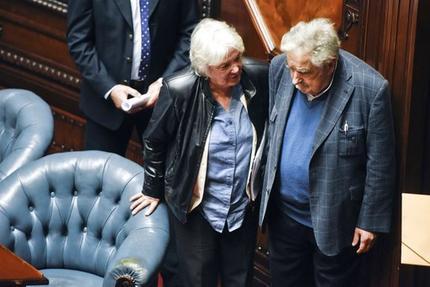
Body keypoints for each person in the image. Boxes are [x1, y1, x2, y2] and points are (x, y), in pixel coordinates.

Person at [130, 18, 268, 287]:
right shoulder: (179, 89)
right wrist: (152, 188)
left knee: (239, 280)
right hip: (197, 208)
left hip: (242, 207)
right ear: (205, 69)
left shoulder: (259, 78)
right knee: (197, 280)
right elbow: (154, 140)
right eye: (225, 65)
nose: (236, 68)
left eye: (237, 58)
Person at [259, 18, 396, 287]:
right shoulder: (279, 69)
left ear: (330, 64)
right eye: (292, 69)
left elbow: (380, 163)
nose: (295, 79)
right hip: (284, 217)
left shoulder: (370, 89)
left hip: (335, 221)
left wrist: (370, 222)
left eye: (305, 72)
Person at [67, 0, 199, 155]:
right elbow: (79, 40)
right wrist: (109, 88)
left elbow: (190, 33)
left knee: (163, 176)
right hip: (105, 105)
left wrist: (165, 82)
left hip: (160, 101)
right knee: (98, 175)